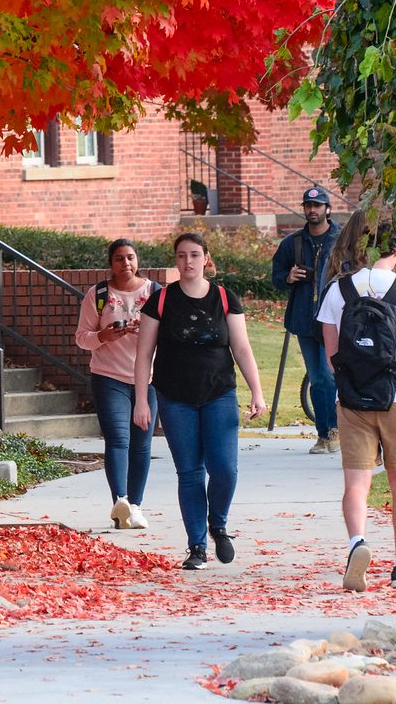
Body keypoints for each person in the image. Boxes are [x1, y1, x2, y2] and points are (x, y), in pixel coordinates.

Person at [133, 232, 266, 570]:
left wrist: (257, 392)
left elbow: (242, 348)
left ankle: (217, 523)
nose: (188, 261)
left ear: (206, 258)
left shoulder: (224, 298)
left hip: (219, 394)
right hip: (175, 397)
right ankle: (196, 547)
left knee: (224, 469)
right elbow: (143, 354)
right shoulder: (160, 301)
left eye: (194, 255)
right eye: (181, 255)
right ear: (176, 260)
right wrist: (141, 401)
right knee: (190, 472)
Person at [318, 228, 396, 592]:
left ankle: (357, 543)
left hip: (352, 398)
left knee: (356, 483)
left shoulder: (338, 290)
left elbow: (331, 356)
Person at [74, 238, 157, 530]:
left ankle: (136, 505)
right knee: (118, 438)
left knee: (142, 443)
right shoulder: (98, 294)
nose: (126, 264)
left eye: (131, 258)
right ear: (111, 263)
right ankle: (120, 502)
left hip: (148, 379)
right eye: (119, 258)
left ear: (138, 260)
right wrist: (103, 337)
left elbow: (169, 332)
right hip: (108, 376)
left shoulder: (155, 293)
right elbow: (81, 336)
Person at [270, 187, 342, 454]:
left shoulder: (340, 239)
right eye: (308, 205)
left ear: (327, 209)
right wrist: (288, 277)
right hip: (304, 319)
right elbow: (275, 276)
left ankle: (334, 429)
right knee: (318, 377)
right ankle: (325, 433)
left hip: (334, 320)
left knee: (329, 376)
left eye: (317, 205)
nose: (312, 210)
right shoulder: (293, 243)